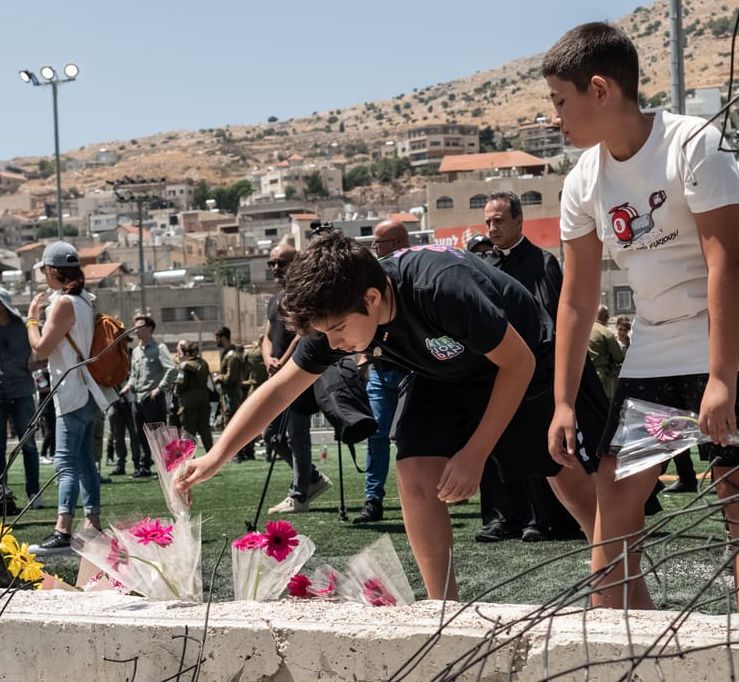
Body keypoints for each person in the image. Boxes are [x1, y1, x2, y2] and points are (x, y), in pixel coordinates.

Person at [175, 232, 604, 600]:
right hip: (442, 373)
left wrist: (475, 454)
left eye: (338, 330)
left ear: (373, 298)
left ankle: (613, 572)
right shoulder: (338, 311)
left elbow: (518, 364)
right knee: (414, 471)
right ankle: (444, 610)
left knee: (561, 474)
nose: (334, 342)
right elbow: (280, 389)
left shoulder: (442, 288)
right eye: (325, 334)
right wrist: (215, 458)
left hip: (523, 363)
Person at [543, 21, 739, 613]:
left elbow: (722, 260)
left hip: (736, 335)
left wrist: (720, 379)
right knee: (616, 494)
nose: (555, 117)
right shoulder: (581, 180)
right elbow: (575, 299)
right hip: (654, 345)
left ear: (599, 90)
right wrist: (565, 402)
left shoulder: (692, 141)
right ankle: (624, 644)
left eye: (559, 101)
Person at [486, 190, 584, 542]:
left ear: (518, 221)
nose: (492, 227)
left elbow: (556, 314)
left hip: (538, 369)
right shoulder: (486, 266)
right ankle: (504, 519)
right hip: (498, 369)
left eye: (499, 220)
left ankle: (546, 519)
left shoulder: (543, 262)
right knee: (497, 445)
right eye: (488, 221)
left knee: (540, 444)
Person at [24, 239, 112, 552]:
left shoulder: (63, 303)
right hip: (90, 390)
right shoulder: (86, 300)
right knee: (85, 460)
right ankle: (94, 524)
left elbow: (40, 349)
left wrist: (32, 319)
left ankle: (63, 529)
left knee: (66, 461)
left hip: (72, 391)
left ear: (52, 270)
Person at [261, 243, 329, 513]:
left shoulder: (305, 295)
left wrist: (286, 360)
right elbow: (266, 336)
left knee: (296, 436)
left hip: (299, 373)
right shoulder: (274, 299)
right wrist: (269, 359)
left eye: (282, 262)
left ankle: (300, 494)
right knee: (271, 435)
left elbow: (305, 332)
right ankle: (310, 478)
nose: (277, 268)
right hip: (277, 374)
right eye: (273, 263)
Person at [358, 219, 413, 522]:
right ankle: (372, 500)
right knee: (377, 435)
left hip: (411, 372)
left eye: (377, 243)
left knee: (413, 436)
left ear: (395, 244)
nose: (373, 249)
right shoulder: (372, 280)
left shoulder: (412, 277)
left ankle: (424, 496)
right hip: (379, 370)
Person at [0, 284, 41, 507]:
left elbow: (45, 348)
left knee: (29, 445)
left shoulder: (25, 326)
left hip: (22, 393)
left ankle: (34, 493)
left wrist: (37, 364)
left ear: (2, 304)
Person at [122, 314, 168, 476]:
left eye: (139, 326)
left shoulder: (160, 349)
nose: (135, 330)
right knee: (140, 434)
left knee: (158, 435)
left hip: (153, 398)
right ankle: (144, 466)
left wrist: (159, 388)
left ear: (149, 328)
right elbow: (134, 374)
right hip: (138, 398)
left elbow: (171, 369)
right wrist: (128, 385)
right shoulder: (135, 351)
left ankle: (165, 467)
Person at [172, 339, 214, 449]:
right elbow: (209, 381)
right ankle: (211, 453)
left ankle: (189, 457)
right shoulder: (203, 363)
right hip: (204, 399)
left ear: (186, 353)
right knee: (205, 429)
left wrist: (176, 391)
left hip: (188, 402)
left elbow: (180, 384)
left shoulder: (184, 366)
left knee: (188, 431)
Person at [588, 305, 624, 400]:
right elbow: (618, 356)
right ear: (606, 317)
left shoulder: (583, 328)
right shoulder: (605, 332)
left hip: (581, 373)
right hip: (600, 374)